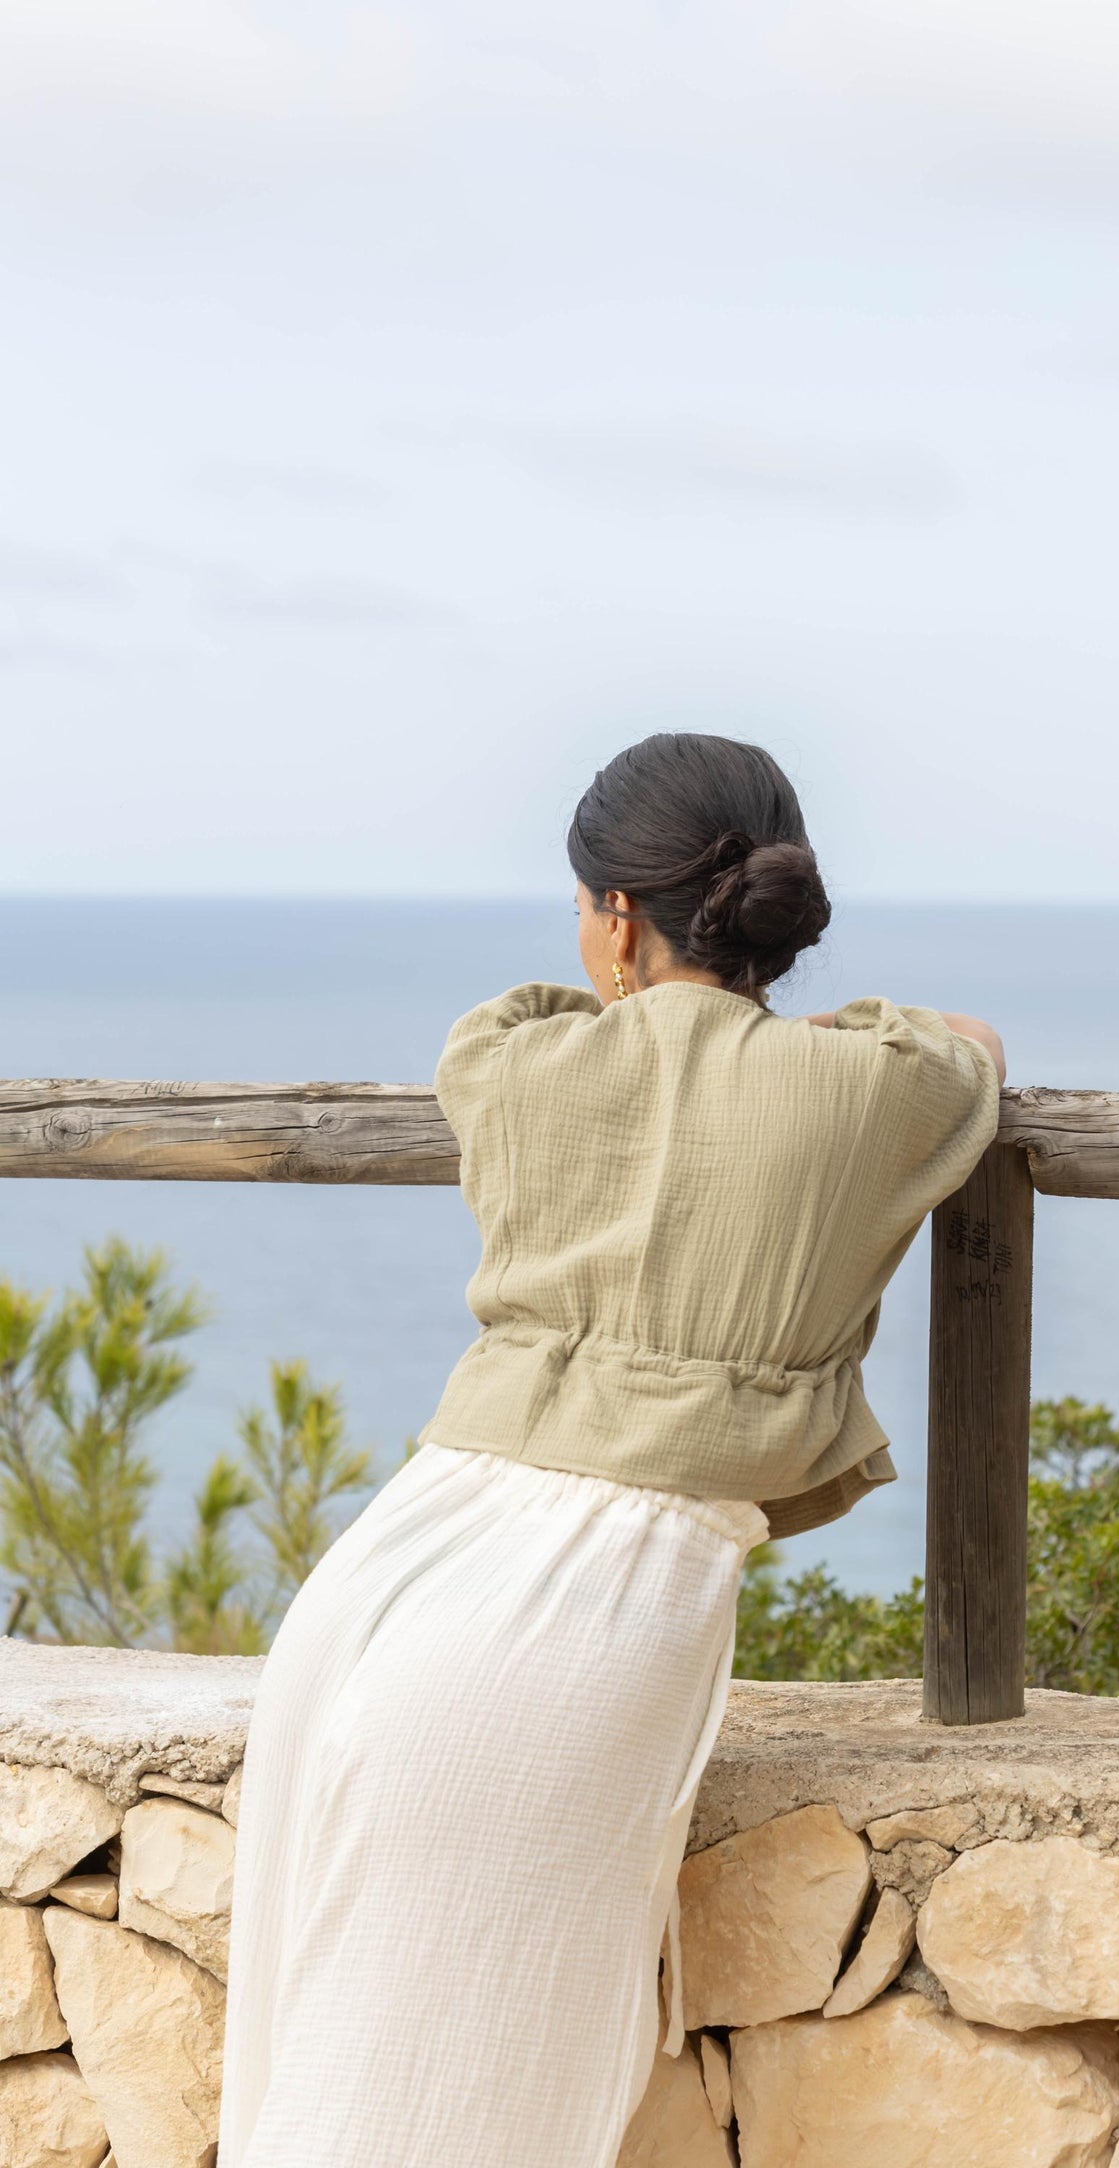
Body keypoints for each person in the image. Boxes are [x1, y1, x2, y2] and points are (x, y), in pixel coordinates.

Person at [217, 731, 1004, 2167]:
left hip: (408, 1552)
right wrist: (778, 1045)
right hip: (591, 1593)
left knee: (353, 2045)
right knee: (441, 2076)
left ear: (619, 917)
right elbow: (963, 1053)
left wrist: (651, 1005)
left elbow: (503, 1022)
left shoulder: (516, 1069)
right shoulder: (869, 1093)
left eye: (585, 906)